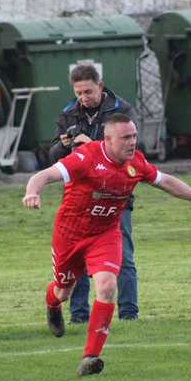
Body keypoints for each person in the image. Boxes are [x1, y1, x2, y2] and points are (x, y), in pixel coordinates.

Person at [23, 113, 191, 376]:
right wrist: (31, 192)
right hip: (70, 235)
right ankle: (52, 304)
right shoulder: (86, 157)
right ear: (107, 140)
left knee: (106, 286)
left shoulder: (136, 163)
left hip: (105, 235)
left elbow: (168, 183)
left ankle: (90, 356)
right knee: (63, 292)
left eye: (134, 136)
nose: (132, 142)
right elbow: (45, 175)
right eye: (125, 138)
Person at [49, 64, 141, 323]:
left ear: (100, 86)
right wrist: (63, 145)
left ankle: (128, 314)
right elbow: (50, 156)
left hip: (116, 195)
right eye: (78, 93)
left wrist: (91, 146)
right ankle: (79, 316)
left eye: (88, 91)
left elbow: (131, 150)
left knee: (123, 256)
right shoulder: (68, 114)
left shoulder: (121, 110)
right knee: (76, 261)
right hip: (80, 200)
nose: (83, 98)